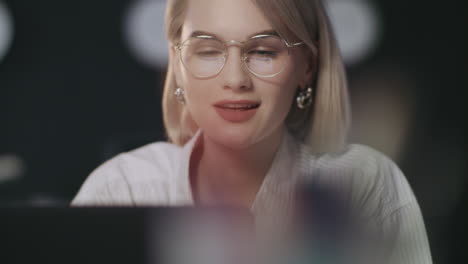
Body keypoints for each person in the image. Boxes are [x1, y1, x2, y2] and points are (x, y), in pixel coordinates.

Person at [72, 0, 432, 262]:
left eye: (263, 51)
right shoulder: (121, 188)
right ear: (177, 64)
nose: (235, 80)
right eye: (208, 50)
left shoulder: (364, 183)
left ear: (307, 66)